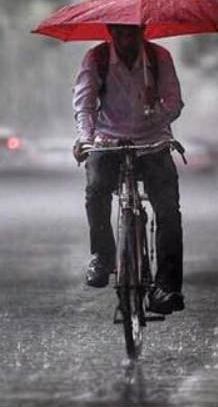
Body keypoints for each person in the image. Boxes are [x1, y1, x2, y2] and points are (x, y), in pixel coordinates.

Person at [72, 23, 186, 314]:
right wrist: (85, 140)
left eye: (132, 33)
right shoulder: (95, 59)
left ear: (142, 32)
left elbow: (175, 102)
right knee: (96, 189)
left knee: (168, 212)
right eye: (120, 34)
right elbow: (84, 106)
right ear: (111, 33)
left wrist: (157, 107)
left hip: (153, 141)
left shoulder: (159, 58)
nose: (127, 40)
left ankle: (166, 287)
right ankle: (103, 255)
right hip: (108, 140)